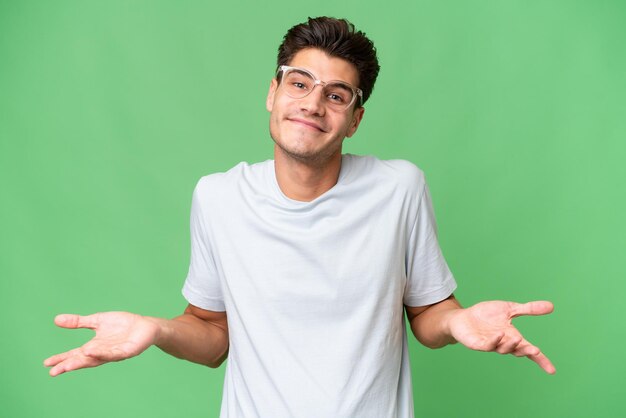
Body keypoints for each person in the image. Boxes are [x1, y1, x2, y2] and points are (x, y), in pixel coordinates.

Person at [44, 16, 555, 418]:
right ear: (273, 92)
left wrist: (461, 320)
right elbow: (211, 334)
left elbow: (426, 315)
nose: (313, 104)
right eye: (299, 83)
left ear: (354, 119)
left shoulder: (399, 188)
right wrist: (154, 329)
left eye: (336, 95)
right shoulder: (218, 198)